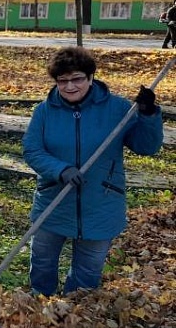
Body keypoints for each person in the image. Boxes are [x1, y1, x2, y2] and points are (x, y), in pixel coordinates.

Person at [22, 46, 163, 297]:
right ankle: (38, 307)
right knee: (42, 263)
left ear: (90, 77)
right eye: (62, 81)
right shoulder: (44, 111)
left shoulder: (118, 109)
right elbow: (32, 151)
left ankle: (75, 312)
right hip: (53, 202)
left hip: (101, 204)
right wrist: (60, 169)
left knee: (86, 274)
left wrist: (148, 114)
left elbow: (147, 147)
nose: (69, 86)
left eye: (77, 79)